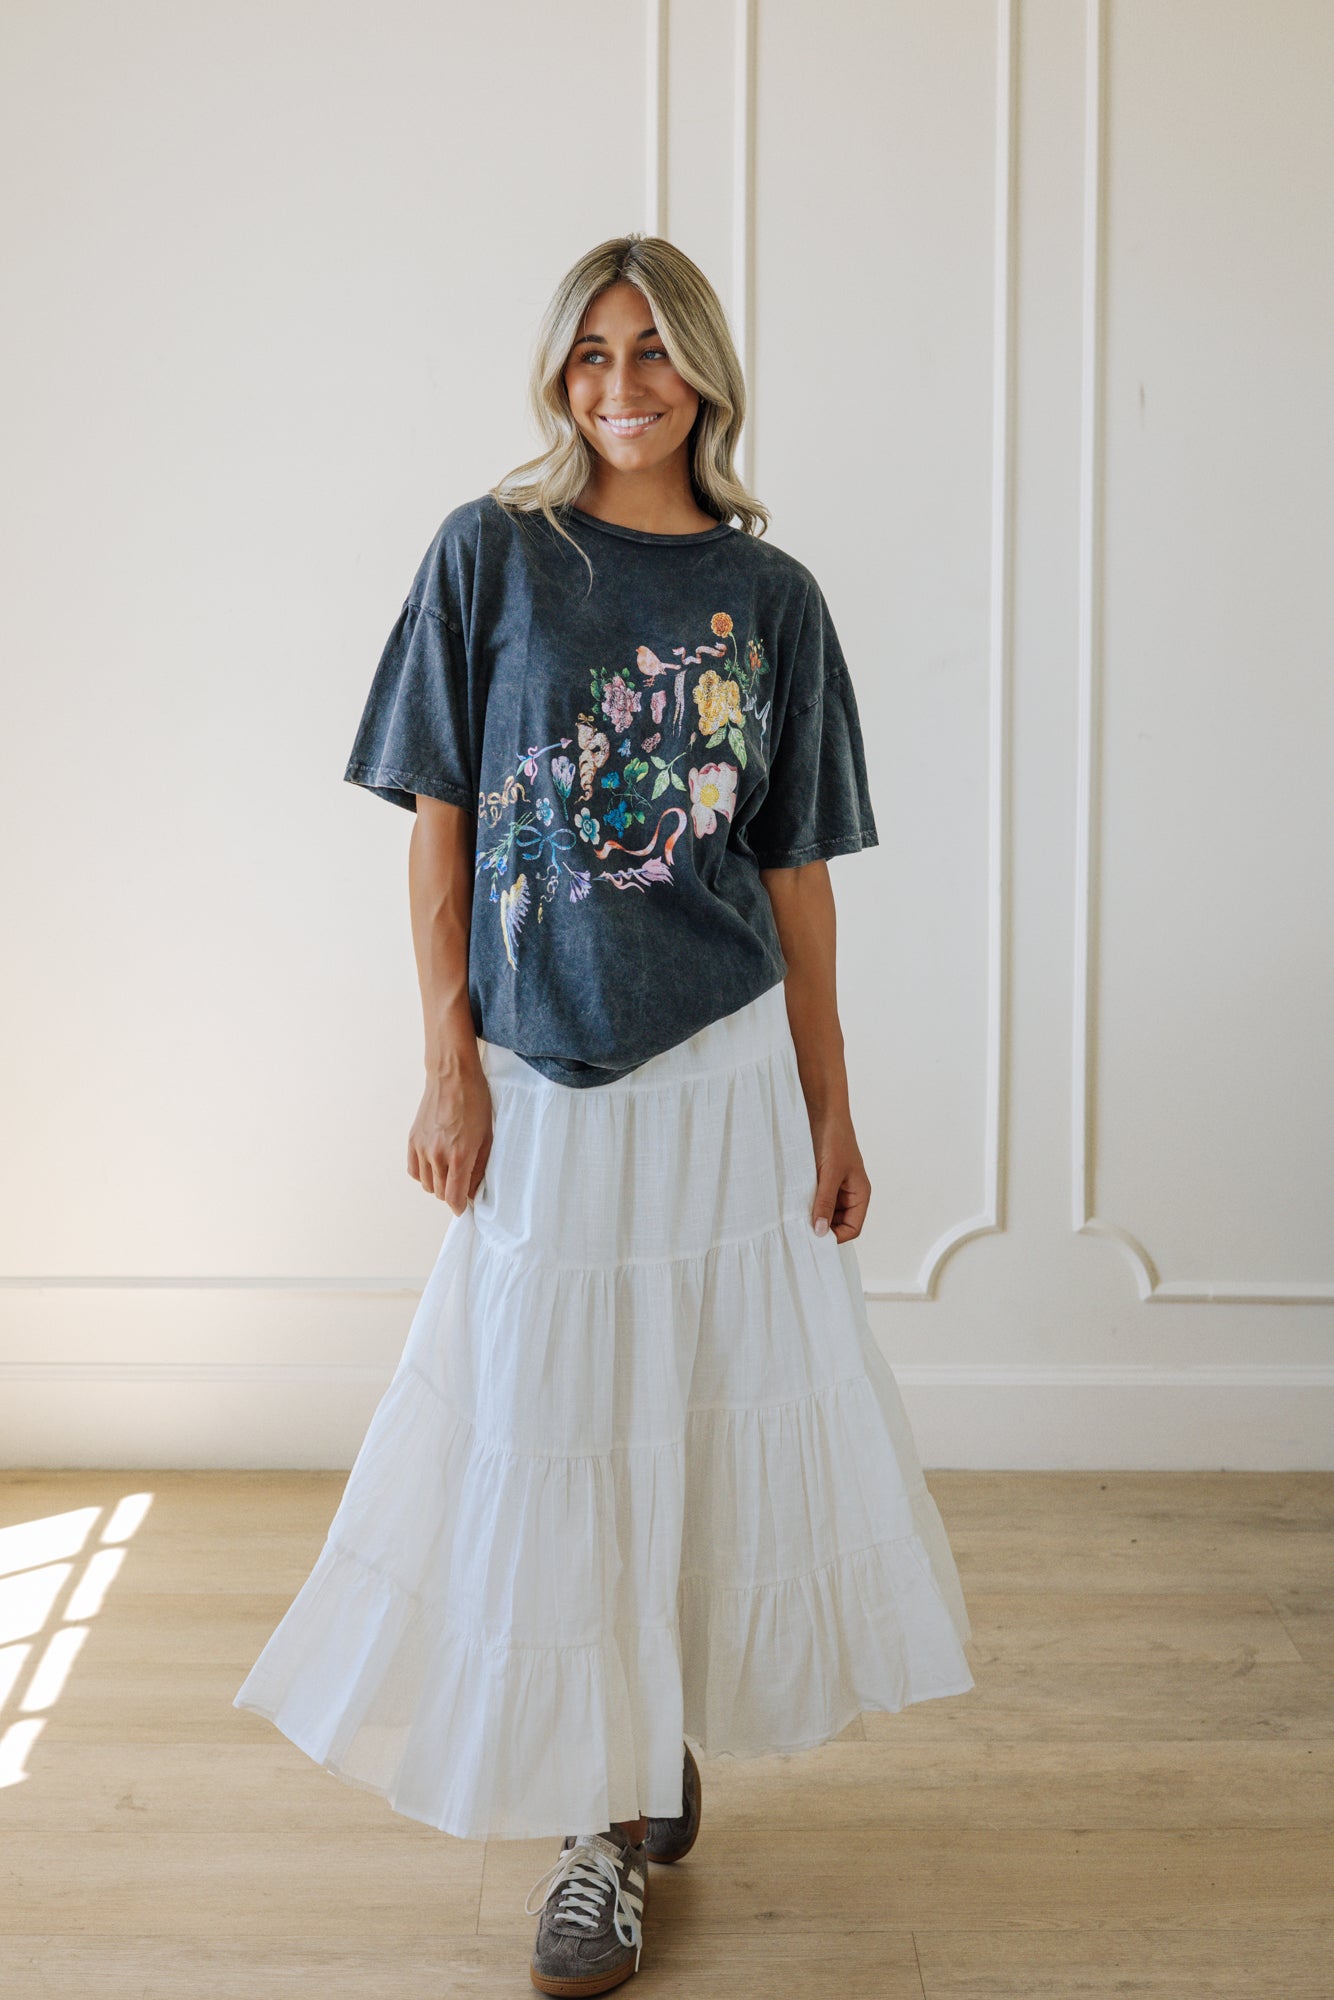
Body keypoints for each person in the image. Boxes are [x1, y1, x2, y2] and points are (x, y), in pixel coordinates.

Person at [234, 232, 975, 1996]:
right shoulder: (491, 554)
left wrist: (833, 1109)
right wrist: (447, 1061)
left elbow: (792, 874)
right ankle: (600, 1803)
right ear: (557, 376)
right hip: (544, 1073)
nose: (621, 386)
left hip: (719, 1070)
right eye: (590, 355)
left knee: (687, 1425)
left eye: (651, 352)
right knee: (553, 1426)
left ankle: (626, 1785)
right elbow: (435, 826)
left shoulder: (770, 596)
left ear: (703, 371)